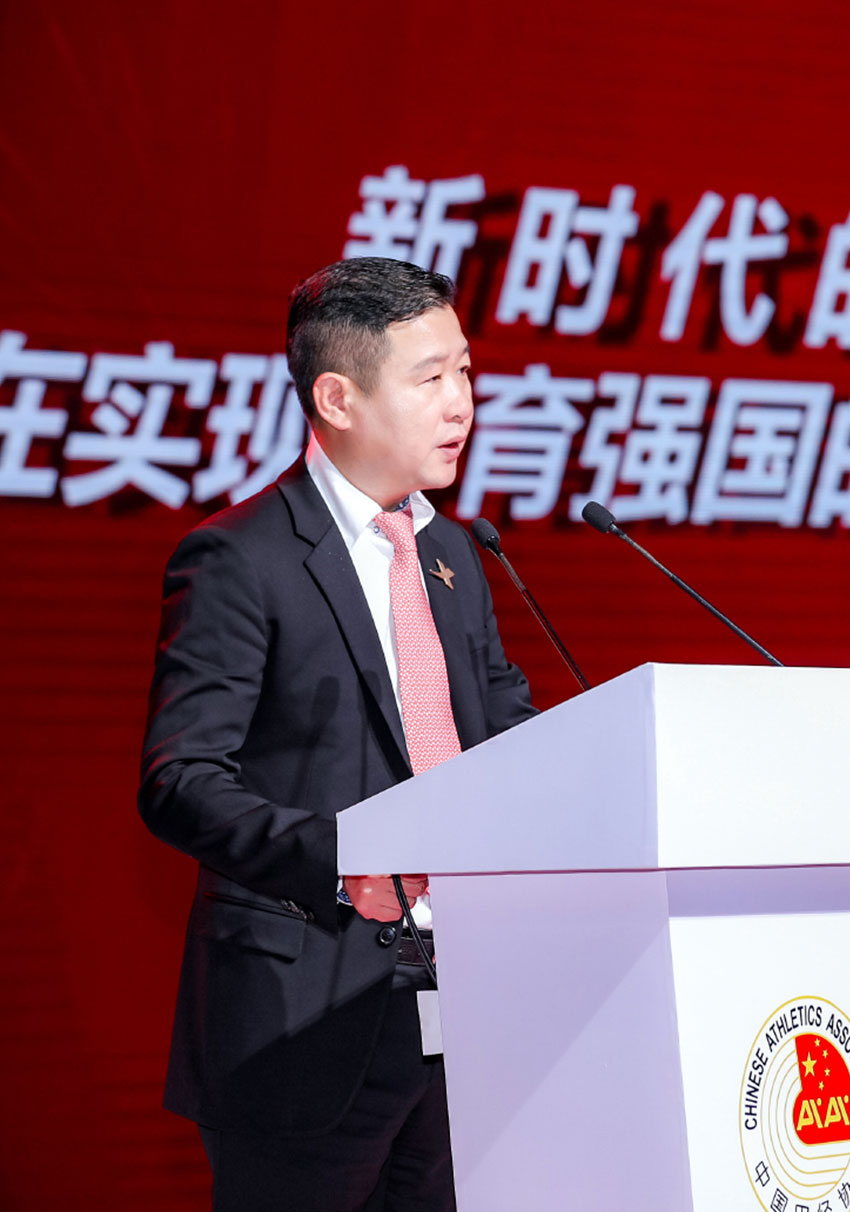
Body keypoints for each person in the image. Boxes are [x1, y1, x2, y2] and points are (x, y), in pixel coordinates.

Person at [139, 256, 536, 1211]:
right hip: (305, 1019)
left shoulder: (451, 552)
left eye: (465, 371)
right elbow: (181, 778)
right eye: (430, 377)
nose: (462, 403)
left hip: (464, 1010)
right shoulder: (240, 558)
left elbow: (508, 740)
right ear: (337, 398)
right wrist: (345, 859)